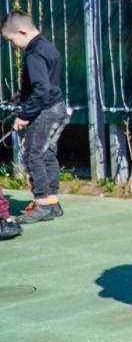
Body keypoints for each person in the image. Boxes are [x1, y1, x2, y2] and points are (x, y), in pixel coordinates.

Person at [4, 12, 68, 224]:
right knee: (47, 155)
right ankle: (52, 202)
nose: (13, 45)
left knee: (33, 157)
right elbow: (46, 82)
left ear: (22, 32)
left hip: (45, 113)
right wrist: (23, 94)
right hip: (58, 108)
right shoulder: (47, 46)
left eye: (12, 40)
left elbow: (41, 89)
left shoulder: (33, 54)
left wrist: (24, 115)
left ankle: (41, 204)